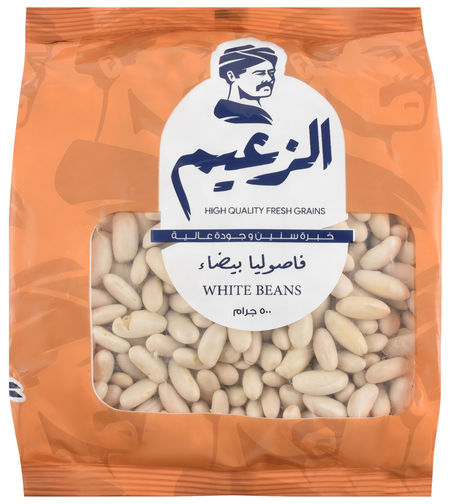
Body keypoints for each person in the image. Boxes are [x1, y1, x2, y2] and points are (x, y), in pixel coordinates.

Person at [214, 44, 277, 124]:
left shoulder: (263, 114)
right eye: (260, 73)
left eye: (271, 73)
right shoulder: (228, 116)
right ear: (231, 76)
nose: (269, 79)